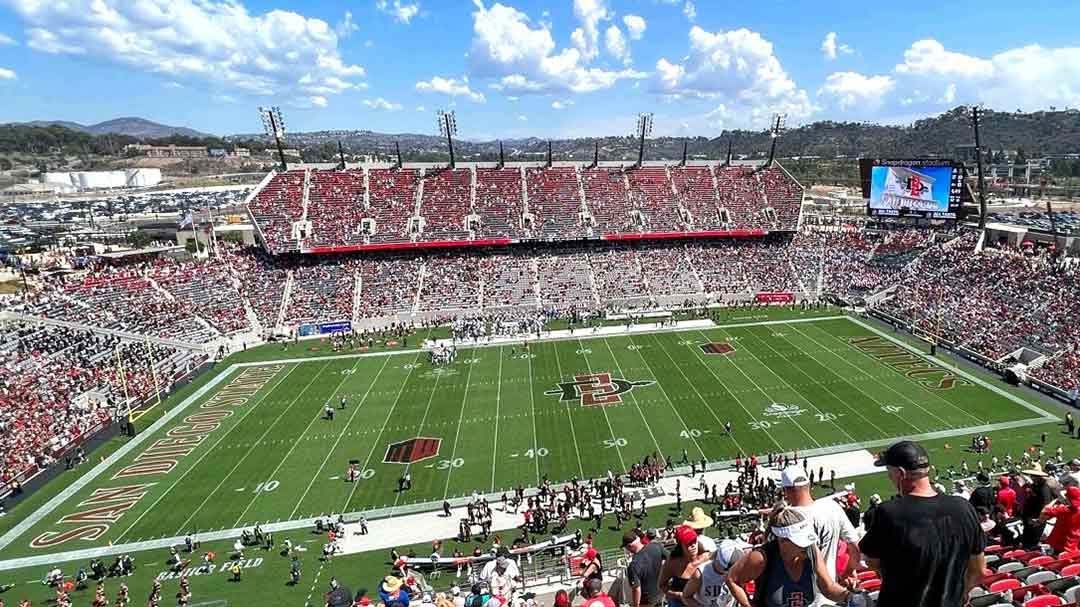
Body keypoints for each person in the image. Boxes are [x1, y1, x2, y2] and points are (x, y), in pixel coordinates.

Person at [860, 440, 985, 607]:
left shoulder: (889, 512)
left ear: (901, 473)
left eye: (889, 472)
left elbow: (872, 560)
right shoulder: (964, 508)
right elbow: (978, 570)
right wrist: (962, 593)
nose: (889, 477)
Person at [728, 507, 855, 607]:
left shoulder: (811, 550)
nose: (805, 545)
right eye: (800, 541)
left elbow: (828, 587)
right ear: (783, 541)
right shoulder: (762, 557)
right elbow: (732, 579)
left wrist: (849, 596)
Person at [780, 467, 860, 592]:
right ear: (809, 485)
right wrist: (848, 572)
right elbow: (855, 546)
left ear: (786, 490)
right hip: (830, 591)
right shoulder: (832, 506)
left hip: (801, 594)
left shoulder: (786, 518)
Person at [661, 526, 712, 607]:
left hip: (703, 601)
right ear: (681, 545)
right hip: (680, 602)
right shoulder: (673, 563)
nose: (693, 546)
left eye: (694, 541)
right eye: (689, 543)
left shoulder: (706, 557)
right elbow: (661, 585)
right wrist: (678, 595)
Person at [683, 540, 743, 607]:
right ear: (717, 559)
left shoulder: (738, 572)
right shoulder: (701, 574)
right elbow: (686, 596)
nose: (729, 573)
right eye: (726, 569)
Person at [624, 530, 666, 607]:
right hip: (660, 593)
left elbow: (636, 589)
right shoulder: (656, 546)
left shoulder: (633, 566)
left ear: (629, 546)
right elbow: (671, 559)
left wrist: (636, 605)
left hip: (647, 601)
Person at [1020, 462, 1055, 549]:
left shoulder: (1044, 489)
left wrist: (1039, 520)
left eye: (1033, 475)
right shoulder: (1035, 486)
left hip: (1036, 520)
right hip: (1029, 518)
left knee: (1032, 543)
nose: (1032, 477)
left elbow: (1045, 506)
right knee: (1026, 541)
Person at [1042, 485, 1080, 553]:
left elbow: (1045, 510)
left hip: (1060, 543)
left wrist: (1054, 500)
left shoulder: (1063, 510)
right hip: (1074, 544)